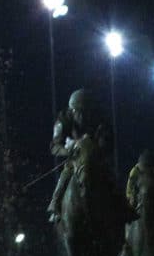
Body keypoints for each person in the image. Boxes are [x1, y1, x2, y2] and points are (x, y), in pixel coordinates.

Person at [47, 88, 122, 223]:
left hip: (94, 156)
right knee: (65, 175)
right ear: (72, 111)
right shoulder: (63, 119)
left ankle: (124, 208)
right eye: (78, 112)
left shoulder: (100, 118)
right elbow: (55, 146)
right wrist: (68, 151)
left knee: (110, 178)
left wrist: (96, 148)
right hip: (74, 158)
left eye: (85, 112)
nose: (82, 116)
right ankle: (55, 204)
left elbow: (109, 142)